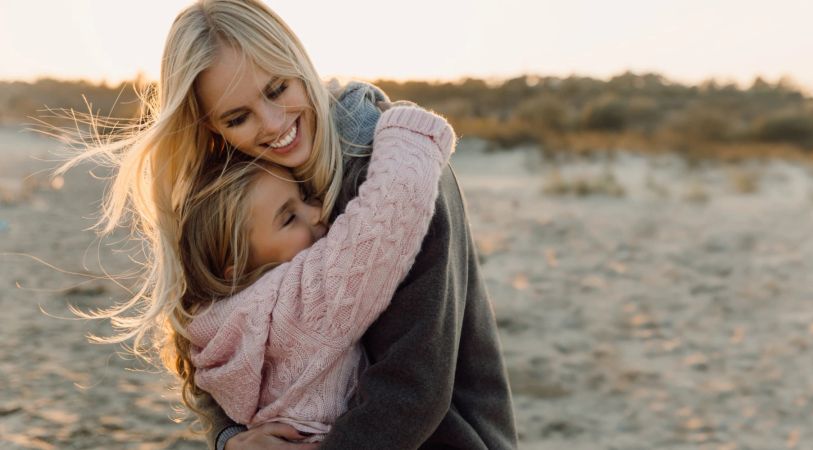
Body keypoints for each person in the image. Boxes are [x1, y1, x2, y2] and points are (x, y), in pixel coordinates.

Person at [62, 0, 517, 448]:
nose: (273, 124)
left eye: (277, 89)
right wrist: (231, 438)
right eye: (237, 118)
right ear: (212, 129)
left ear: (297, 60)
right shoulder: (237, 189)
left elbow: (413, 386)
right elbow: (214, 338)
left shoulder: (403, 174)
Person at [180, 103, 454, 444]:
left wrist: (226, 438)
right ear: (235, 268)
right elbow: (391, 208)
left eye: (305, 197)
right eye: (288, 217)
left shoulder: (211, 329)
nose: (317, 212)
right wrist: (405, 127)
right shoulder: (297, 303)